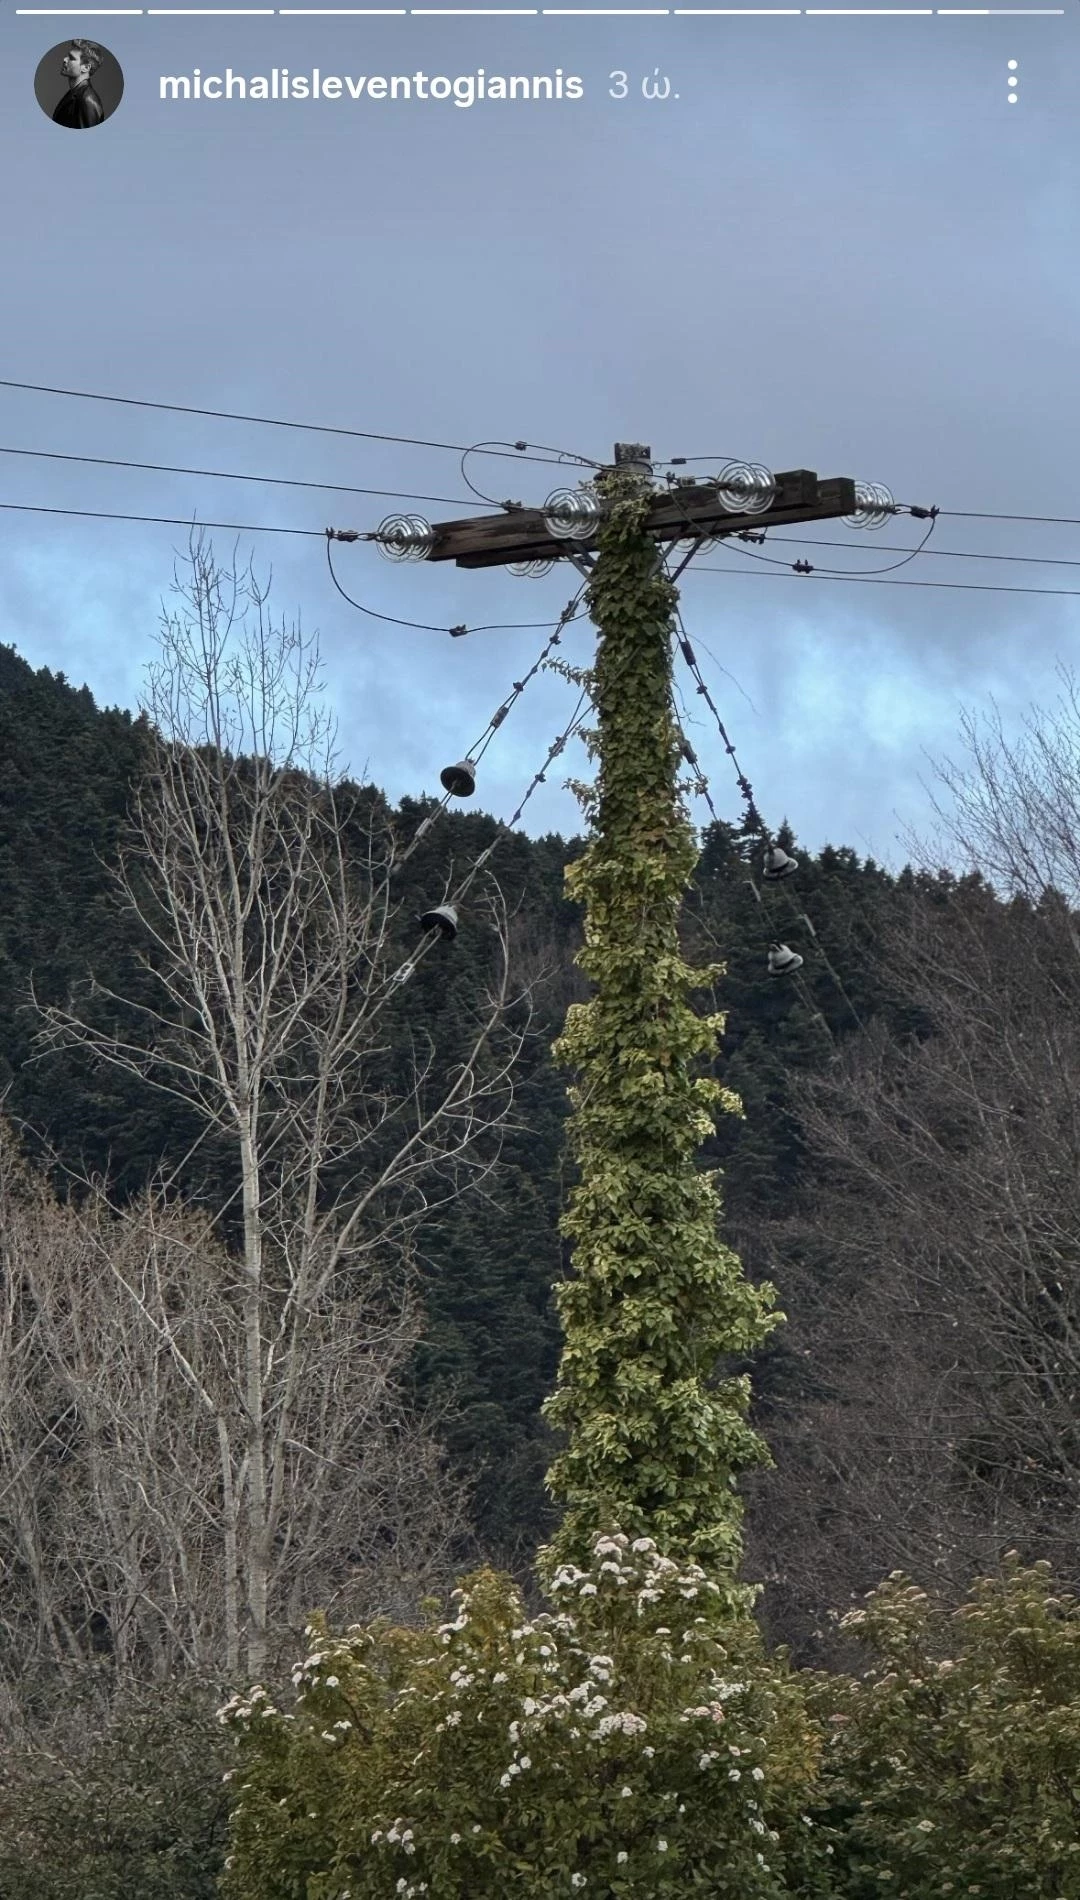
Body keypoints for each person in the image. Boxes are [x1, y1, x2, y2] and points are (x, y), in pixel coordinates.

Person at [52, 41, 105, 128]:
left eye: (71, 58)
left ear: (86, 67)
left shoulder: (87, 100)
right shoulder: (76, 93)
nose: (64, 59)